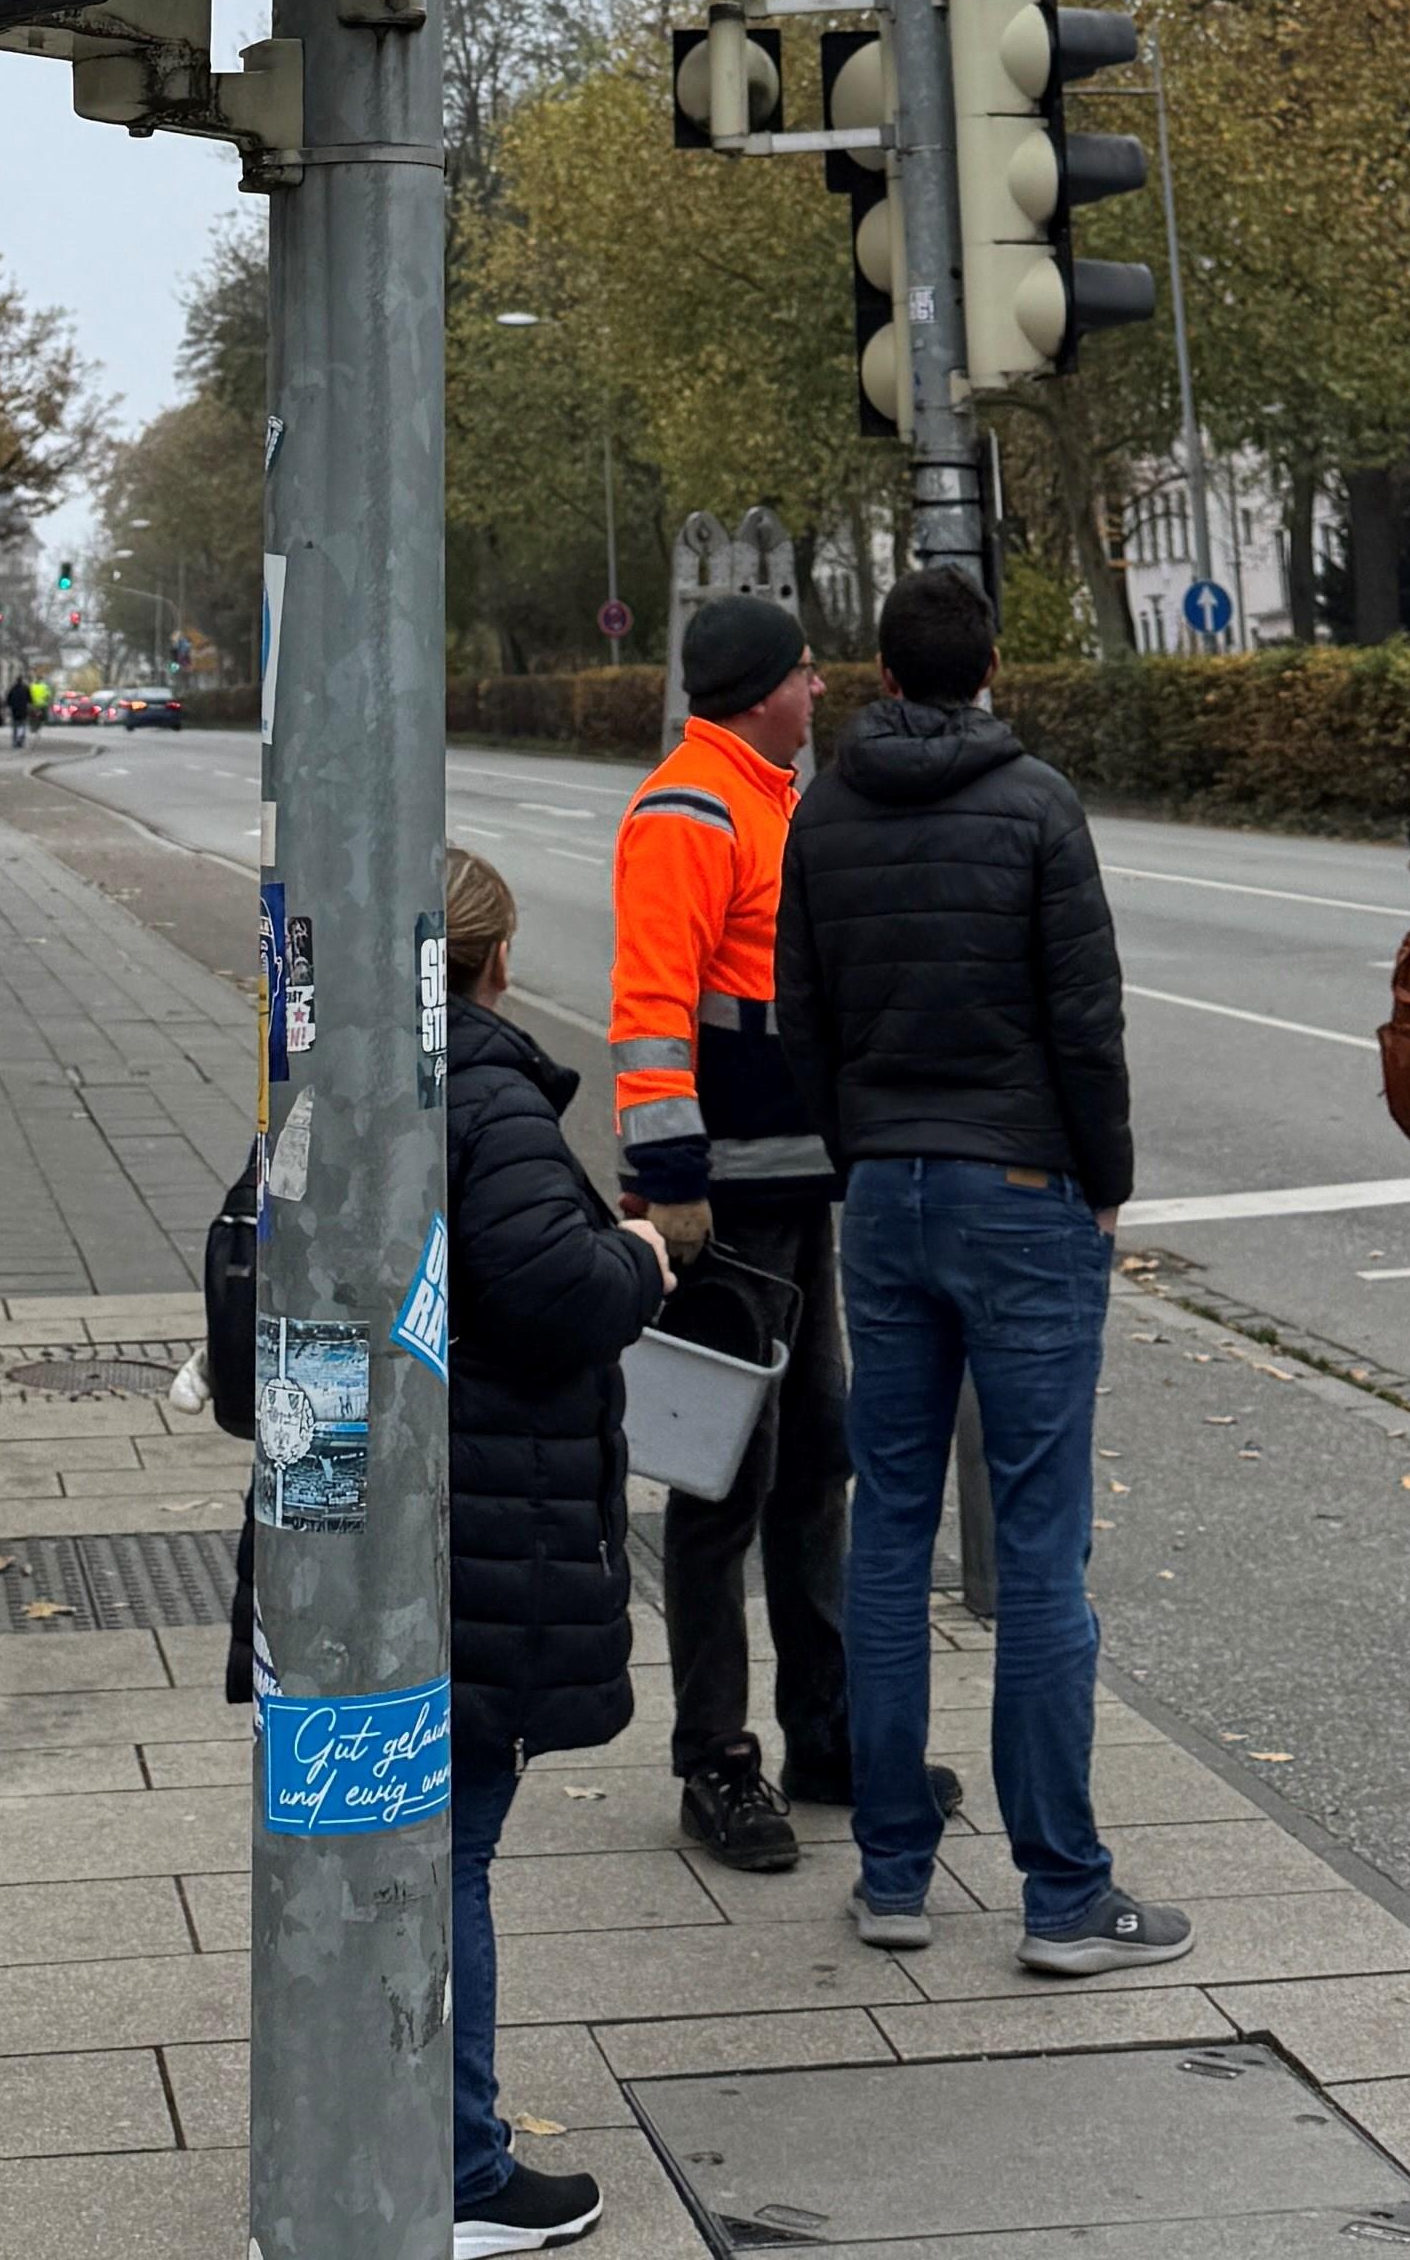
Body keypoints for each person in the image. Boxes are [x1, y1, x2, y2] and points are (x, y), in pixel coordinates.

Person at [776, 560, 1188, 1982]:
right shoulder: (1037, 805)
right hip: (1021, 1191)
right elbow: (1089, 1019)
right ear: (989, 668)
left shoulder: (820, 812)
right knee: (1036, 1541)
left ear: (882, 675)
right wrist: (1104, 1186)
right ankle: (1061, 1893)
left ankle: (893, 1872)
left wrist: (864, 1151)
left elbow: (801, 1014)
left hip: (884, 1193)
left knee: (888, 1526)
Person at [446, 845, 672, 2258]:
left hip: (377, 1518)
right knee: (448, 1843)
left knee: (388, 1839)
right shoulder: (487, 1094)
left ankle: (356, 2131)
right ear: (495, 958)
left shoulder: (323, 1073)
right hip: (478, 1524)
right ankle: (458, 2172)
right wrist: (637, 1264)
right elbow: (545, 1290)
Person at [607, 591, 851, 1865]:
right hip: (730, 1209)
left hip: (792, 1192)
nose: (822, 693)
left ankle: (828, 1734)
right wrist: (672, 1183)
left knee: (817, 1461)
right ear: (762, 687)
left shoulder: (765, 797)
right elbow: (649, 1012)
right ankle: (717, 1760)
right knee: (722, 1486)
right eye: (808, 675)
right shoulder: (691, 810)